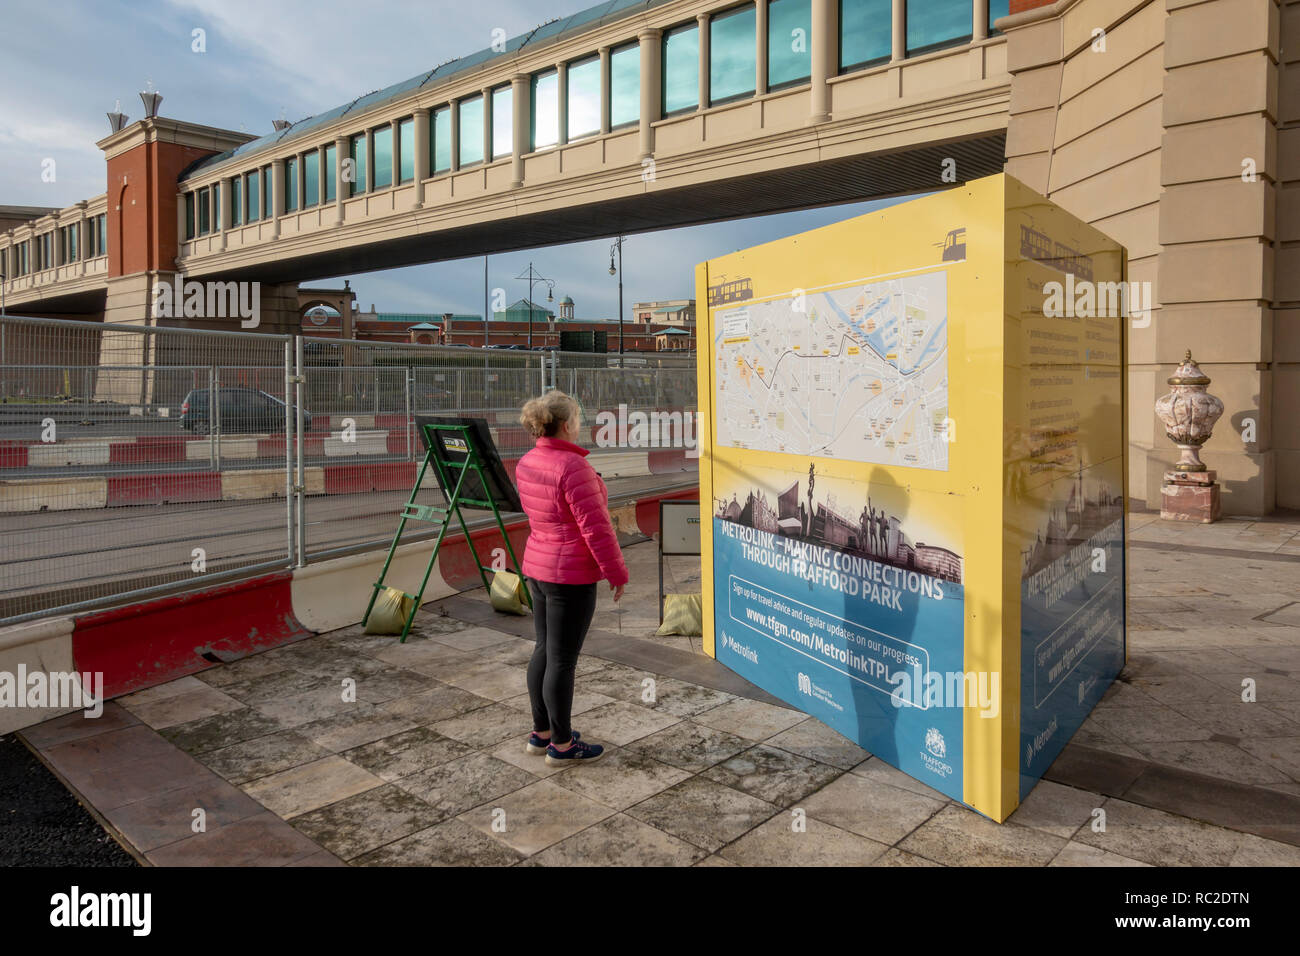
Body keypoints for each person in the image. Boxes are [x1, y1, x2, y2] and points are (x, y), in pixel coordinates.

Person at [515, 390, 628, 765]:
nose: (581, 426)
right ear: (566, 425)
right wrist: (616, 571)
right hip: (571, 574)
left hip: (539, 567)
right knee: (563, 660)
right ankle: (562, 746)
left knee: (544, 649)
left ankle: (542, 732)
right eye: (578, 419)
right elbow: (596, 529)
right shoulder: (573, 467)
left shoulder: (528, 461)